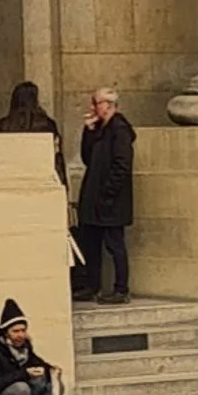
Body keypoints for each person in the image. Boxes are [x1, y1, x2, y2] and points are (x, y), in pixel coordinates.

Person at [78, 89, 136, 302]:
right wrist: (89, 131)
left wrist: (108, 193)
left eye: (96, 103)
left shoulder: (119, 130)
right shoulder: (101, 130)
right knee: (92, 244)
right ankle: (92, 286)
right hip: (97, 198)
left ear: (107, 104)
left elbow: (122, 166)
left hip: (111, 201)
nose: (93, 107)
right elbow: (87, 158)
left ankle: (121, 289)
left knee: (115, 244)